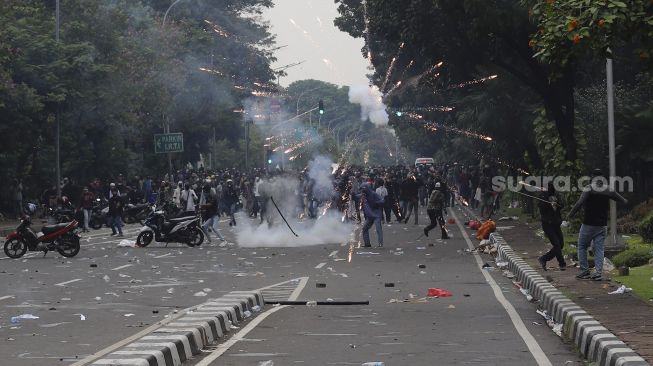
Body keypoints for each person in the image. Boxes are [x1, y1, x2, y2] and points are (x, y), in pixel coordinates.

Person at [568, 169, 628, 281]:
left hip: (588, 224)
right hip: (602, 225)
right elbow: (623, 200)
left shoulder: (589, 188)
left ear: (592, 177)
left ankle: (584, 271)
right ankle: (598, 273)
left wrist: (571, 214)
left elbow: (580, 203)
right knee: (599, 249)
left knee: (582, 246)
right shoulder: (608, 189)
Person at [537, 182, 566, 271]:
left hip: (556, 223)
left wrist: (557, 204)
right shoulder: (542, 196)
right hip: (547, 224)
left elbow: (561, 205)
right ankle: (562, 263)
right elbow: (541, 207)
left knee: (561, 244)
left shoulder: (556, 195)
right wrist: (548, 203)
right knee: (556, 244)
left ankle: (544, 258)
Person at [360, 182, 384, 248]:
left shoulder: (373, 194)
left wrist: (376, 203)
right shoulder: (363, 195)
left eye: (363, 189)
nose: (362, 191)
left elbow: (382, 200)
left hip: (376, 215)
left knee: (378, 229)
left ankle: (380, 244)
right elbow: (356, 197)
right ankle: (367, 244)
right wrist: (353, 195)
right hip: (370, 216)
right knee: (364, 228)